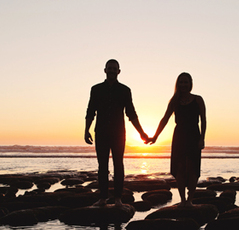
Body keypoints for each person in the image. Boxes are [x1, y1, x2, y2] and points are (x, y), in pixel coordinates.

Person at [85, 59, 150, 207]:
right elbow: (90, 111)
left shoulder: (124, 90)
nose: (112, 71)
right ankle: (102, 198)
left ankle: (118, 199)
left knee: (118, 164)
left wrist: (141, 133)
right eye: (110, 68)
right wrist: (86, 129)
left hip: (118, 133)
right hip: (100, 131)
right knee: (102, 166)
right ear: (105, 70)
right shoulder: (96, 89)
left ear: (119, 71)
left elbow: (131, 113)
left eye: (115, 69)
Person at [148, 72, 206, 206]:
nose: (183, 85)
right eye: (181, 82)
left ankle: (190, 200)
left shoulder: (198, 99)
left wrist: (202, 138)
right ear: (177, 84)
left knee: (193, 168)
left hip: (193, 134)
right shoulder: (174, 101)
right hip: (179, 135)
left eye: (186, 82)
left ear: (190, 84)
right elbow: (164, 119)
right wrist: (155, 136)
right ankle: (183, 200)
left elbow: (203, 120)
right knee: (179, 168)